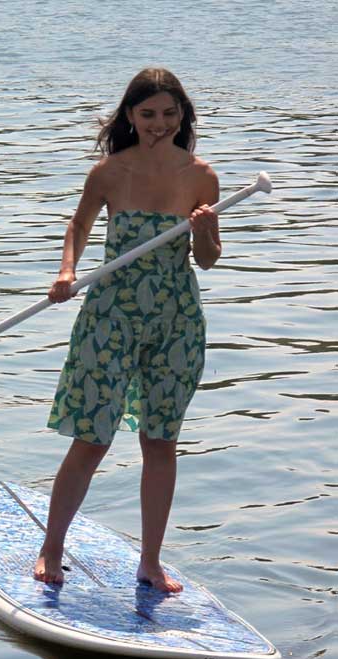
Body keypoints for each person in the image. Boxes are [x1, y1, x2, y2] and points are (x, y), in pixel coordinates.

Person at [35, 67, 221, 592]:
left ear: (182, 115)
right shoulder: (109, 172)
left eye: (169, 113)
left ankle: (151, 561)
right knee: (92, 439)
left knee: (160, 440)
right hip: (110, 318)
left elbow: (206, 261)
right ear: (130, 118)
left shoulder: (202, 176)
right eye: (147, 114)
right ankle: (52, 546)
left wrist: (206, 231)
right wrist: (67, 270)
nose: (159, 124)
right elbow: (79, 225)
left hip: (175, 320)